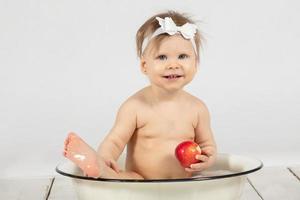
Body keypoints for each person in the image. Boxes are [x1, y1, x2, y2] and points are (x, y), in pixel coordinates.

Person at [63, 10, 217, 180]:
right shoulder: (135, 107)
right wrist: (106, 157)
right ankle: (101, 169)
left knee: (205, 179)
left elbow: (206, 145)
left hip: (184, 182)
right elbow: (115, 141)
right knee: (127, 178)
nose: (173, 64)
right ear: (145, 66)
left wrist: (207, 158)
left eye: (182, 56)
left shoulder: (198, 108)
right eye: (162, 57)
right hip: (140, 181)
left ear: (195, 64)